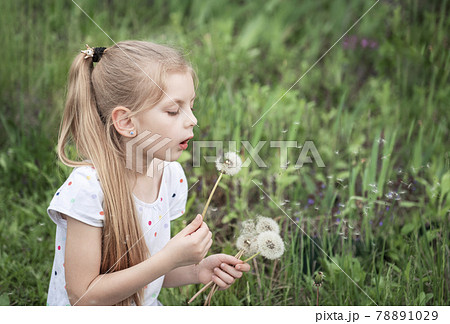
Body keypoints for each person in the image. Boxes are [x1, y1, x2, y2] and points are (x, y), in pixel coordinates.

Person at [46, 41, 250, 306]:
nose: (193, 120)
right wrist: (169, 259)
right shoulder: (89, 190)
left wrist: (196, 270)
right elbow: (83, 295)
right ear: (127, 122)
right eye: (173, 110)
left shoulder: (171, 177)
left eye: (191, 105)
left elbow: (148, 271)